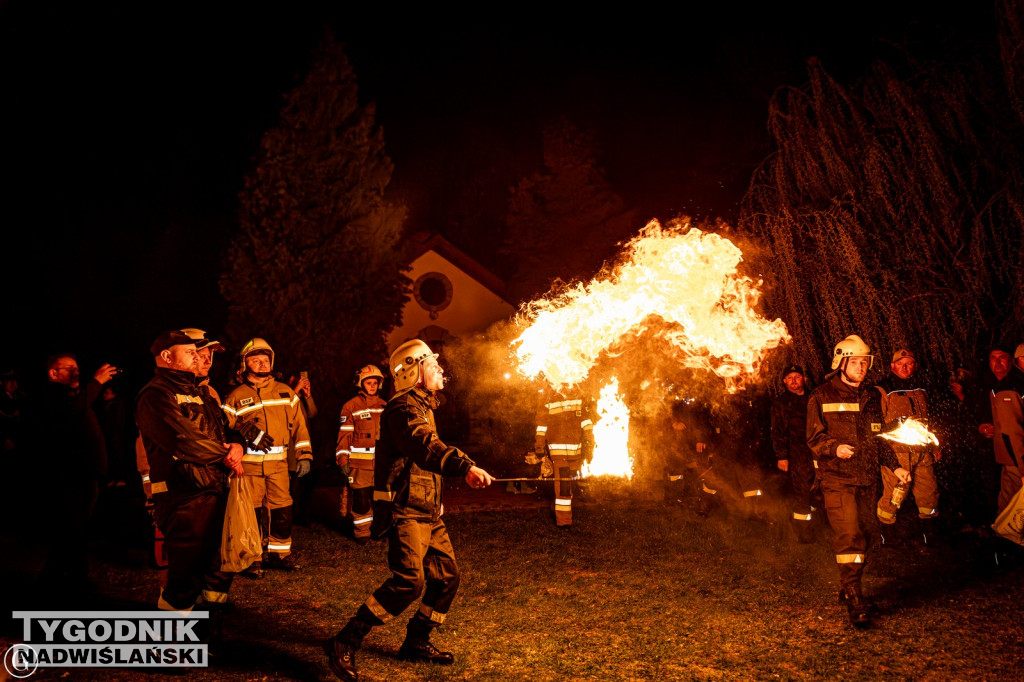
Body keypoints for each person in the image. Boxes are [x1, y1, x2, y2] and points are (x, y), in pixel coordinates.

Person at [324, 339, 494, 681]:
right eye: (433, 364)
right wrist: (463, 466)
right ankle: (345, 640)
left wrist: (439, 495)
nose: (441, 369)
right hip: (406, 509)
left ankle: (416, 641)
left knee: (447, 577)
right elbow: (423, 445)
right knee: (409, 582)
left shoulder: (423, 405)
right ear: (413, 373)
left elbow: (424, 458)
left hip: (428, 509)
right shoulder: (403, 409)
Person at [134, 330, 244, 618]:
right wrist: (226, 455)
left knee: (211, 569)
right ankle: (168, 647)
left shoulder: (199, 391)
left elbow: (223, 430)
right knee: (183, 577)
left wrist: (238, 445)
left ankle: (204, 632)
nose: (198, 356)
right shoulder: (156, 394)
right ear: (167, 356)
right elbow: (182, 440)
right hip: (184, 495)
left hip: (211, 488)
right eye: (190, 352)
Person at [807, 335, 904, 628]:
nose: (862, 368)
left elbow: (879, 436)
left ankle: (848, 584)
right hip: (837, 478)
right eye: (856, 363)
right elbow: (814, 437)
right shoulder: (821, 395)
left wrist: (895, 466)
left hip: (867, 479)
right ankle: (854, 596)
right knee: (849, 535)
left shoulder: (871, 397)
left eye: (865, 362)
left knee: (866, 535)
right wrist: (833, 447)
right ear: (841, 364)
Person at [222, 337, 312, 572]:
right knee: (250, 511)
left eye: (265, 359)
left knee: (282, 507)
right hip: (248, 465)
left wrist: (304, 455)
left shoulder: (286, 393)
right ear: (244, 364)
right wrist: (239, 432)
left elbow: (300, 426)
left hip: (279, 464)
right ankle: (253, 557)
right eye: (255, 359)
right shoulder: (235, 396)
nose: (262, 364)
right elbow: (222, 429)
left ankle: (280, 554)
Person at [30, 353, 114, 599]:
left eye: (77, 368)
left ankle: (57, 575)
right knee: (71, 526)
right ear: (53, 374)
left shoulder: (76, 397)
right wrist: (97, 382)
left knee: (73, 527)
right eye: (68, 369)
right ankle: (71, 578)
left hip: (85, 474)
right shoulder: (51, 397)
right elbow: (72, 413)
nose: (76, 372)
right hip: (68, 475)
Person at [874, 350, 942, 546]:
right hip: (898, 453)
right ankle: (887, 534)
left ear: (915, 366)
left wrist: (934, 446)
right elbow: (876, 425)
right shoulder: (882, 389)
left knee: (929, 492)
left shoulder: (921, 389)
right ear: (892, 366)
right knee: (895, 494)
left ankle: (929, 534)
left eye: (910, 363)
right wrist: (885, 453)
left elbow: (929, 421)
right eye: (901, 363)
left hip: (922, 452)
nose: (905, 367)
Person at [336, 365, 387, 544]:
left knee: (381, 499)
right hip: (359, 464)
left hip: (381, 464)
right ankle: (362, 533)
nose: (372, 386)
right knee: (362, 499)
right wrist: (343, 459)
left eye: (375, 383)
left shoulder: (384, 406)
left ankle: (380, 530)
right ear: (360, 383)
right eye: (368, 382)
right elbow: (344, 435)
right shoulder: (351, 406)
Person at [771, 364, 820, 542]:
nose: (793, 381)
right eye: (789, 378)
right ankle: (803, 531)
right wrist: (782, 456)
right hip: (796, 451)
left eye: (797, 377)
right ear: (784, 381)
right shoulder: (782, 402)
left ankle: (816, 518)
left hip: (816, 450)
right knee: (801, 490)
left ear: (804, 379)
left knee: (816, 487)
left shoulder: (813, 398)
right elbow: (778, 431)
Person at [533, 386, 594, 528]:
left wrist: (590, 439)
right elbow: (541, 426)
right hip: (558, 453)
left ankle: (558, 510)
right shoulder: (548, 397)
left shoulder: (578, 394)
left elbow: (586, 421)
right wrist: (539, 447)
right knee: (563, 488)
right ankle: (564, 522)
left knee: (569, 487)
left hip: (576, 453)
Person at [976, 345, 1024, 514]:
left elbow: (1012, 427)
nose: (997, 362)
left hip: (1013, 456)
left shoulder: (1012, 385)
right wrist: (983, 426)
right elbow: (1010, 428)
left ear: (1011, 360)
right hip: (1011, 456)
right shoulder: (997, 386)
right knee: (1011, 503)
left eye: (1002, 357)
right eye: (992, 358)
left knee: (1012, 503)